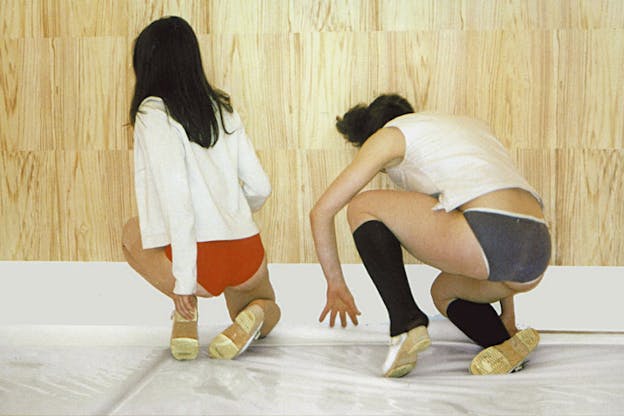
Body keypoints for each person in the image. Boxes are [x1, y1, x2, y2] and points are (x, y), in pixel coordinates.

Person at [310, 94, 550, 377]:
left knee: (362, 205)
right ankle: (503, 341)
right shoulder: (465, 131)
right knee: (443, 292)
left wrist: (335, 283)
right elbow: (503, 217)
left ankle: (406, 324)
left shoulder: (390, 136)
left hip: (489, 237)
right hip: (534, 257)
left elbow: (321, 212)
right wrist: (508, 313)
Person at [121, 16, 280, 361]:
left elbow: (177, 202)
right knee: (266, 305)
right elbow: (260, 186)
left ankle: (185, 316)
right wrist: (233, 217)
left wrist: (183, 284)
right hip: (245, 248)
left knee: (132, 232)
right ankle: (252, 318)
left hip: (199, 260)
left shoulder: (153, 113)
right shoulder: (222, 107)